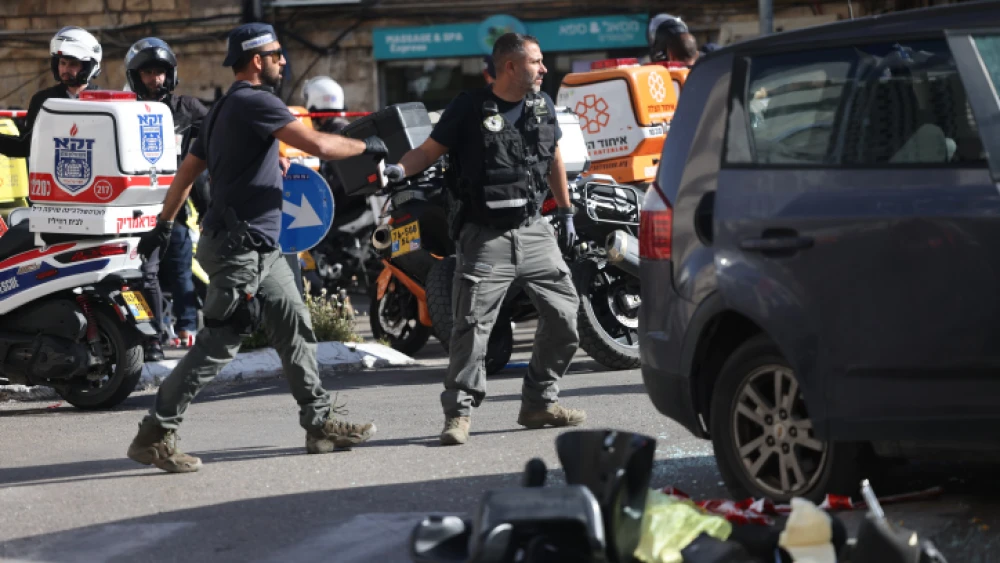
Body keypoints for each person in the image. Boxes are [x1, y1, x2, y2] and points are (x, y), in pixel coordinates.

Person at [126, 23, 390, 473]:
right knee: (221, 341)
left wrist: (164, 223)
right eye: (276, 54)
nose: (283, 61)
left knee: (295, 326)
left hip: (263, 247)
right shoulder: (254, 102)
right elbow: (319, 143)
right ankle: (154, 433)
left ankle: (320, 423)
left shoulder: (224, 108)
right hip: (238, 249)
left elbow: (188, 170)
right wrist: (366, 145)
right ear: (256, 60)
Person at [384, 32, 586, 446]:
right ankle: (458, 414)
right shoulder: (468, 108)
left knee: (566, 317)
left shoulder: (542, 105)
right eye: (536, 61)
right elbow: (427, 151)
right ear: (510, 67)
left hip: (533, 230)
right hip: (484, 236)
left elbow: (554, 158)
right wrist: (398, 171)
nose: (544, 68)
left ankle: (538, 403)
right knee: (472, 327)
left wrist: (564, 211)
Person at [125, 37, 208, 354]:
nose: (154, 79)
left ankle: (188, 327)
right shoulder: (127, 113)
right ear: (136, 76)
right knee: (146, 273)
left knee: (181, 267)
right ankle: (154, 335)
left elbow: (221, 130)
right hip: (140, 208)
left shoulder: (188, 108)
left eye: (159, 72)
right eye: (147, 73)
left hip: (179, 207)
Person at [0, 27, 102, 158]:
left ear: (88, 67)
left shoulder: (103, 100)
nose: (65, 69)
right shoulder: (43, 100)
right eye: (63, 63)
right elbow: (25, 146)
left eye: (73, 64)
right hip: (51, 176)